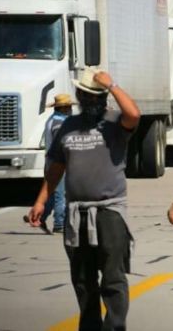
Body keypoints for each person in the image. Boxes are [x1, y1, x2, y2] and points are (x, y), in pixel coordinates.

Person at [27, 68, 140, 330]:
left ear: (103, 98)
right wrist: (41, 201)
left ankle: (114, 326)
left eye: (95, 96)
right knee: (82, 279)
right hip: (75, 213)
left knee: (113, 278)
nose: (90, 101)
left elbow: (134, 113)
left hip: (109, 211)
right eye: (86, 96)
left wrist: (111, 84)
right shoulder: (68, 126)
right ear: (79, 96)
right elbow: (55, 168)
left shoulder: (115, 123)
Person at [39, 94, 75, 234]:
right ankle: (59, 224)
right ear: (65, 108)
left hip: (50, 161)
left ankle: (40, 216)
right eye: (70, 107)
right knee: (61, 194)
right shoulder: (59, 124)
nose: (71, 109)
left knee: (53, 194)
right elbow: (62, 144)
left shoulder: (52, 120)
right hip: (57, 162)